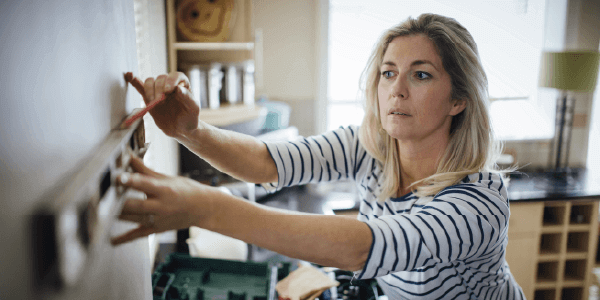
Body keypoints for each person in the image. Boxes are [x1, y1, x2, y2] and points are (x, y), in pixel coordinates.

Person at [112, 13, 524, 299]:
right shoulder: (372, 147)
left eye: (421, 74)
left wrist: (208, 208)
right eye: (387, 72)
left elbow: (365, 248)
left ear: (459, 100)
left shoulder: (478, 202)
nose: (396, 89)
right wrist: (191, 131)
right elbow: (268, 162)